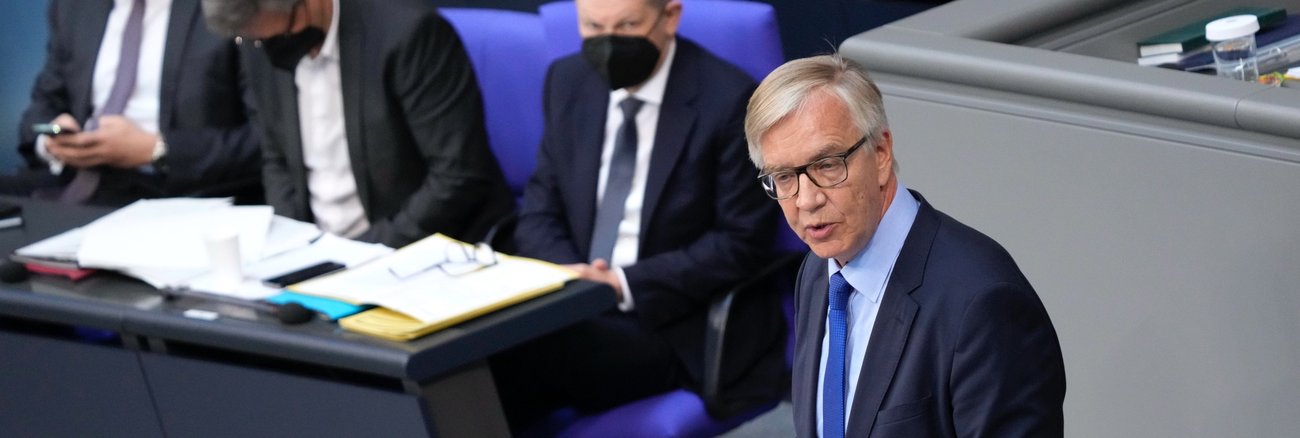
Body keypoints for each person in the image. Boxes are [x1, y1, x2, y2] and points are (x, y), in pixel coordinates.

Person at [496, 0, 784, 429]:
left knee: (512, 355)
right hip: (572, 300)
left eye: (627, 25)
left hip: (665, 319)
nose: (609, 43)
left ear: (670, 16)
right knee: (484, 342)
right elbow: (540, 208)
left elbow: (740, 242)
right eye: (593, 27)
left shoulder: (727, 99)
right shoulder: (568, 81)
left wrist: (619, 285)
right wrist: (573, 279)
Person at [745, 55, 1066, 437]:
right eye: (784, 177)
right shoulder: (818, 271)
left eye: (827, 165)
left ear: (880, 154)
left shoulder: (984, 304)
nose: (806, 200)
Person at [200, 0, 512, 247]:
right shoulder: (259, 47)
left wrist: (364, 253)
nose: (269, 49)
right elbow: (276, 158)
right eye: (254, 39)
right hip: (321, 256)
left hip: (417, 248)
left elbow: (458, 176)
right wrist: (294, 243)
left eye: (281, 35)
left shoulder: (408, 33)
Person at [12, 0, 262, 206]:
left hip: (178, 192)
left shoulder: (228, 10)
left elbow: (264, 140)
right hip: (73, 181)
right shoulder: (75, 7)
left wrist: (157, 151)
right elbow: (41, 108)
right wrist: (52, 141)